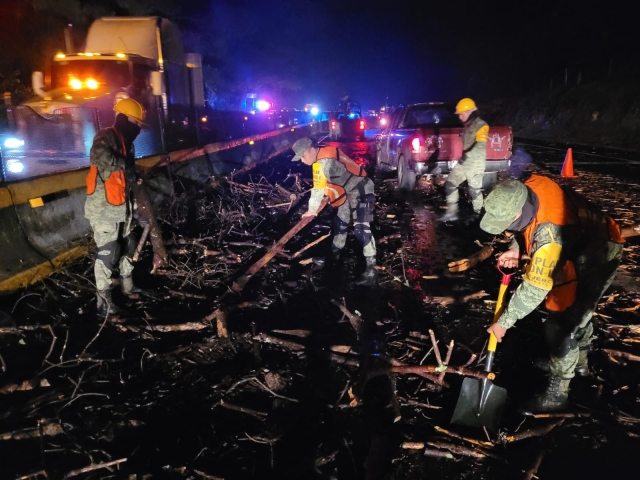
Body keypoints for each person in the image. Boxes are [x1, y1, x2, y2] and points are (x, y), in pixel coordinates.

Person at [480, 175, 624, 415]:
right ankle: (579, 365)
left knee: (562, 323)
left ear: (517, 213)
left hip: (599, 252)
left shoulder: (549, 237)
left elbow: (535, 288)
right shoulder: (528, 188)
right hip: (581, 240)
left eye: (505, 221)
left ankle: (558, 394)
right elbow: (530, 225)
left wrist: (504, 322)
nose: (503, 227)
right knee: (578, 312)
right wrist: (517, 249)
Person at [85, 98, 147, 317]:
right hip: (104, 209)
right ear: (126, 119)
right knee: (108, 252)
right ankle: (103, 303)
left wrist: (134, 175)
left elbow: (123, 174)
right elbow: (99, 158)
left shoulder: (126, 142)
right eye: (136, 123)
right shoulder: (106, 136)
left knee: (128, 244)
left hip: (122, 206)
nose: (138, 128)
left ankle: (127, 286)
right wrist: (127, 165)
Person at [291, 137, 378, 286]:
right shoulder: (322, 153)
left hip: (363, 189)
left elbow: (318, 189)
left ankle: (371, 271)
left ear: (312, 150)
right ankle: (333, 259)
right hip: (347, 191)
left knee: (362, 228)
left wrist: (312, 210)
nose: (302, 161)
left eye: (303, 156)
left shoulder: (323, 163)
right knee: (340, 223)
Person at [439, 98, 489, 223]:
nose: (460, 117)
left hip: (475, 164)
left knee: (474, 190)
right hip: (464, 162)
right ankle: (452, 213)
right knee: (450, 184)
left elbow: (480, 146)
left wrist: (465, 158)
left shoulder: (482, 125)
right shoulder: (467, 126)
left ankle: (477, 216)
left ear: (469, 112)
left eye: (461, 114)